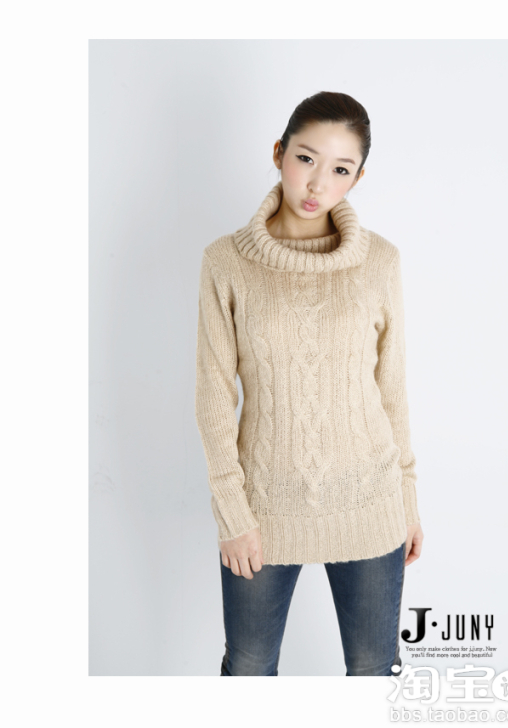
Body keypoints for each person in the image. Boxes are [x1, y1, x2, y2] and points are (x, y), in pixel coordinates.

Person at [195, 91, 424, 676]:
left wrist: (407, 501)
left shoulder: (380, 261)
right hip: (263, 511)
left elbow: (391, 390)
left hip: (370, 503)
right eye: (306, 158)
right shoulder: (226, 262)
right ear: (279, 153)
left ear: (358, 178)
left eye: (341, 169)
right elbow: (214, 398)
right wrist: (232, 514)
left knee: (373, 672)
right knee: (249, 670)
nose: (318, 183)